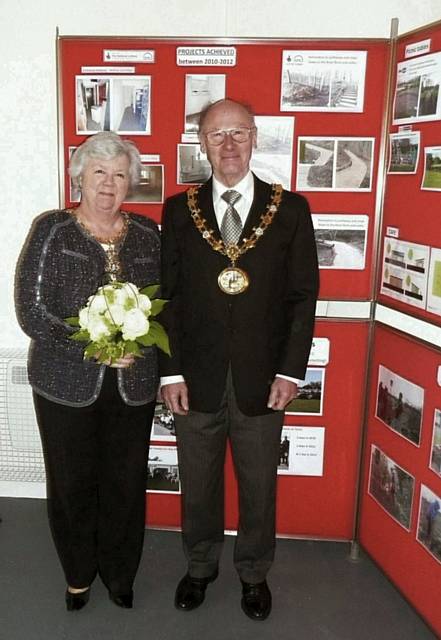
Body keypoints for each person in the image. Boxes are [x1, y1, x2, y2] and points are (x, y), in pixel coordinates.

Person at [160, 99, 319, 621]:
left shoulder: (290, 209)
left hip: (263, 378)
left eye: (238, 133)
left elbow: (302, 296)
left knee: (258, 484)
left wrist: (291, 372)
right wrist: (171, 371)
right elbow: (170, 296)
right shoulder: (179, 211)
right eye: (216, 134)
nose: (228, 144)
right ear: (201, 144)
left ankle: (253, 573)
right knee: (198, 481)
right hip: (196, 377)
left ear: (254, 138)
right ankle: (200, 566)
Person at [15, 132, 160, 611]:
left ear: (130, 184)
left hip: (133, 383)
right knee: (72, 481)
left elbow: (163, 306)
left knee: (124, 481)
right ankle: (78, 574)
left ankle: (120, 573)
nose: (109, 184)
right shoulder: (53, 230)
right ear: (79, 177)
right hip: (64, 382)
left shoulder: (146, 234)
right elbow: (30, 310)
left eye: (120, 175)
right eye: (99, 173)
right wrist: (91, 350)